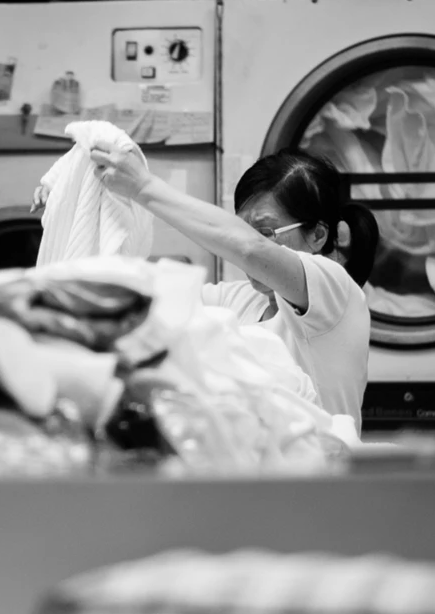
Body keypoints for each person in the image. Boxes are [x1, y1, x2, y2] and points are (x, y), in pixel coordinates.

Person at [85, 141, 378, 425]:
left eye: (265, 231)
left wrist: (143, 187)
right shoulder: (237, 299)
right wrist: (83, 209)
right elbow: (140, 300)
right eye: (241, 227)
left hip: (321, 470)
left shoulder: (336, 289)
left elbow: (249, 250)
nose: (247, 243)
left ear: (317, 236)